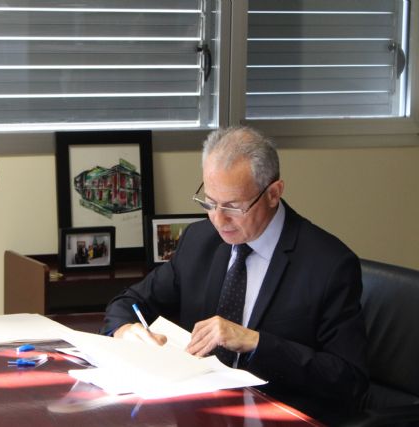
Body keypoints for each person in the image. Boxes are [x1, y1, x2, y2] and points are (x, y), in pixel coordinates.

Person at [101, 126, 368, 423]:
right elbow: (129, 302)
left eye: (233, 206)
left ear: (273, 193)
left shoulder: (329, 264)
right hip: (198, 410)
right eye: (210, 202)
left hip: (277, 414)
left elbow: (349, 380)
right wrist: (125, 330)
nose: (218, 219)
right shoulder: (199, 240)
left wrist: (256, 342)